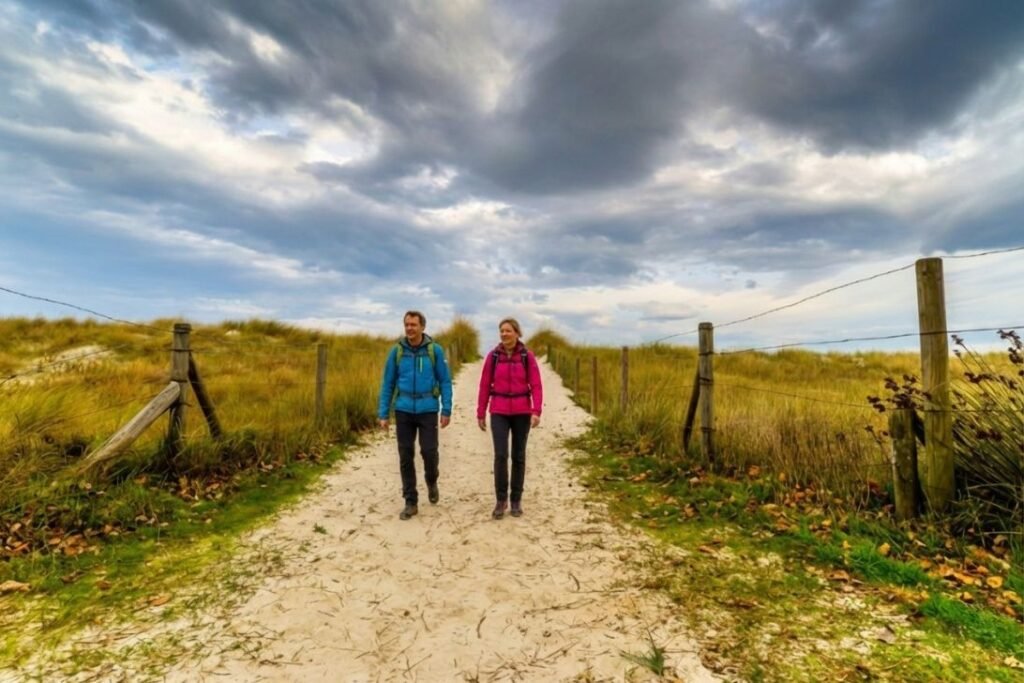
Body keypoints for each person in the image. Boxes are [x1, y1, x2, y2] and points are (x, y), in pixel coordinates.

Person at [378, 311, 453, 520]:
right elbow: (388, 383)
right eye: (407, 325)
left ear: (422, 327)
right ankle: (410, 500)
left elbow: (445, 381)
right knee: (405, 455)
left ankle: (432, 480)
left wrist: (446, 409)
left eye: (413, 325)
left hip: (428, 408)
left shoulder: (434, 351)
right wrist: (383, 413)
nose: (409, 328)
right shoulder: (397, 352)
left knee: (429, 452)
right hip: (403, 409)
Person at [476, 317, 543, 519]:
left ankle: (516, 500)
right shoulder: (493, 357)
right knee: (501, 455)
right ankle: (501, 500)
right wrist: (480, 412)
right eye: (501, 331)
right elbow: (484, 385)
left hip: (522, 411)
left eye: (508, 330)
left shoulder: (527, 357)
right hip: (499, 411)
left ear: (517, 333)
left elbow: (537, 385)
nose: (504, 334)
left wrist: (536, 410)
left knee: (519, 456)